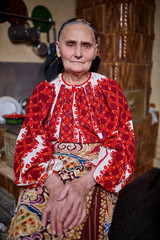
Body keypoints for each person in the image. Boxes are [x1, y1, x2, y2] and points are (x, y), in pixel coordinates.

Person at [8, 18, 135, 240]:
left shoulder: (109, 90)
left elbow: (123, 144)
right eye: (70, 44)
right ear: (58, 49)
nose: (78, 53)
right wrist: (54, 184)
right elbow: (30, 140)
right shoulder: (44, 91)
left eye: (86, 45)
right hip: (48, 168)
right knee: (28, 225)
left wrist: (84, 185)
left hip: (97, 171)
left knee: (80, 225)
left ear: (96, 51)